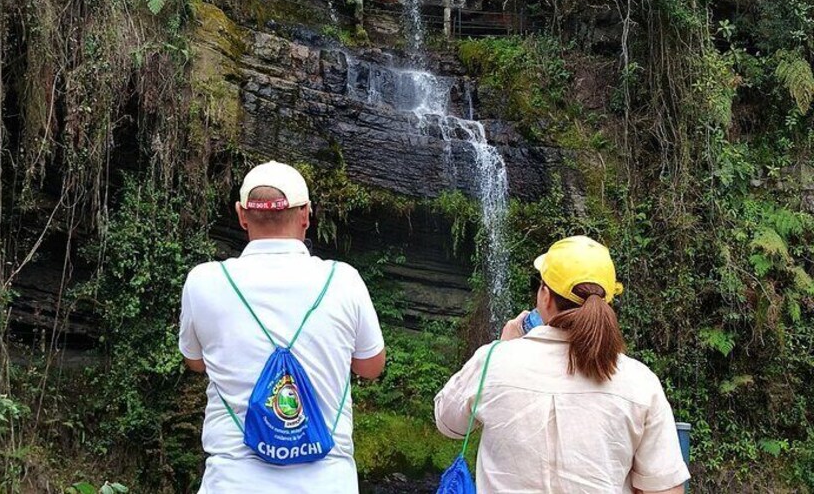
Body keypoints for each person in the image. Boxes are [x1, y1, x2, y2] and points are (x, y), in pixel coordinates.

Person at [179, 160, 386, 493]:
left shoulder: (204, 281)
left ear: (242, 214)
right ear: (306, 214)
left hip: (233, 482)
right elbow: (371, 367)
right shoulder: (343, 280)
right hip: (327, 482)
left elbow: (195, 361)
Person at [434, 235, 690, 493]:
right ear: (606, 302)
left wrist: (502, 347)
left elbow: (449, 423)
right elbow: (666, 488)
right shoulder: (640, 382)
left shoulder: (494, 361)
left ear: (544, 296)